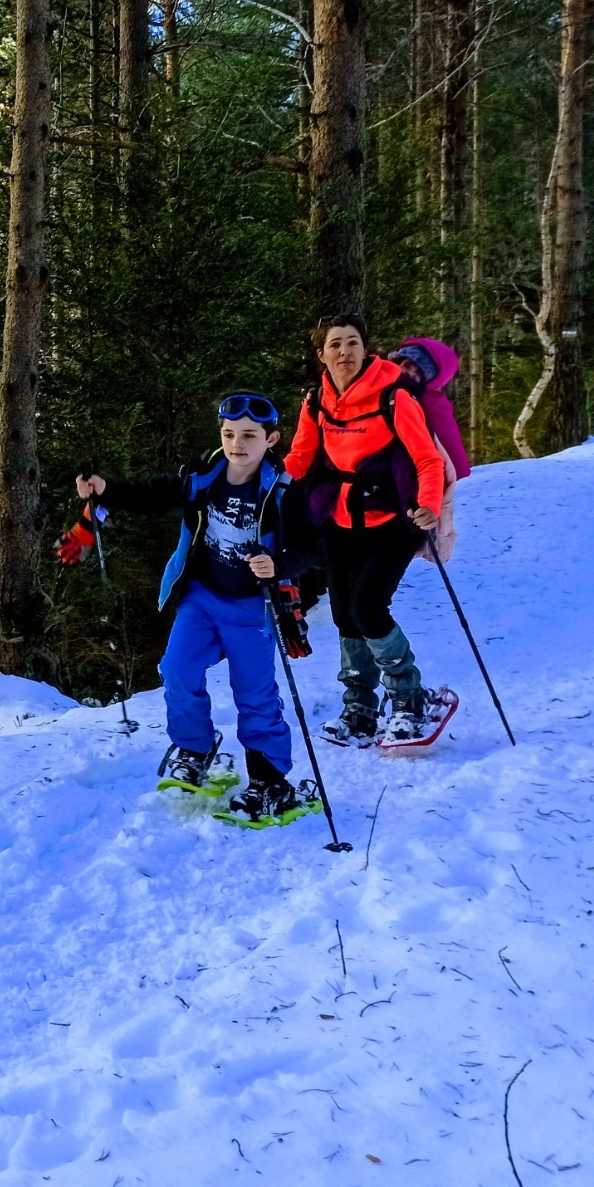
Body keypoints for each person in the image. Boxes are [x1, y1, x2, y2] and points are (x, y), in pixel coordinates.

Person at [61, 394, 320, 825]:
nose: (237, 443)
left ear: (271, 439)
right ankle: (195, 748)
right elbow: (155, 493)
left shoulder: (284, 491)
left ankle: (271, 780)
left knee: (255, 694)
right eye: (230, 434)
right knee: (177, 670)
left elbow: (314, 546)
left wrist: (280, 564)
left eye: (249, 436)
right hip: (202, 597)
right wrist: (108, 491)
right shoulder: (204, 474)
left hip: (253, 607)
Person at [283, 315, 446, 746]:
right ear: (322, 355)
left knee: (369, 608)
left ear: (365, 349)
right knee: (343, 615)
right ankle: (360, 706)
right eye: (335, 344)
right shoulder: (316, 401)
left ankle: (410, 699)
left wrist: (429, 505)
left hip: (395, 520)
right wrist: (258, 485)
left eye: (352, 342)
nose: (344, 352)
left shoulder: (394, 397)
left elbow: (427, 460)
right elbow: (300, 458)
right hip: (339, 521)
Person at [390, 337, 471, 563]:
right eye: (406, 363)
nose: (408, 371)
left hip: (403, 503)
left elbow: (451, 466)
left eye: (418, 371)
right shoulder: (371, 384)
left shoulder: (432, 406)